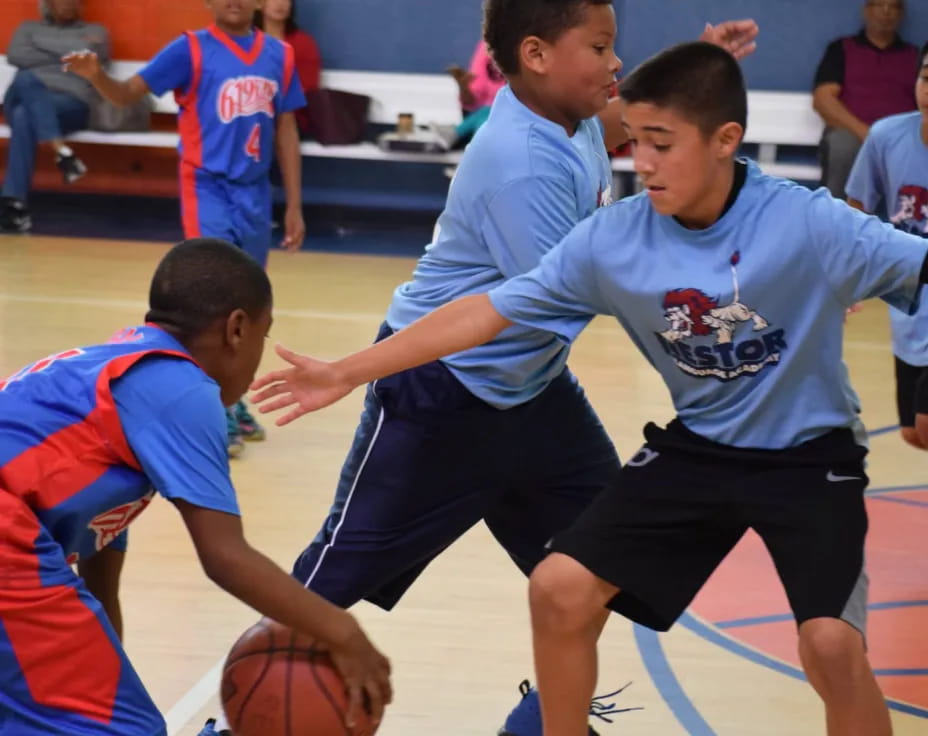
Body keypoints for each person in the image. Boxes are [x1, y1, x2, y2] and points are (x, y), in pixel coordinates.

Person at [252, 41, 928, 736]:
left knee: (830, 647)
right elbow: (489, 309)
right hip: (701, 450)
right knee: (560, 588)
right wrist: (346, 370)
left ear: (726, 140)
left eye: (662, 144)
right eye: (636, 142)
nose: (644, 163)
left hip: (810, 462)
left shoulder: (811, 224)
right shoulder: (615, 239)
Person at [229, 2, 753, 733]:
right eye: (600, 47)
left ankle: (548, 716)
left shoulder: (568, 122)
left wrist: (689, 69)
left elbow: (611, 130)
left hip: (532, 393)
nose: (614, 63)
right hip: (441, 394)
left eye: (614, 46)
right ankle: (238, 714)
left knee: (601, 557)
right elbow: (565, 295)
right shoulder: (518, 161)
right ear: (536, 55)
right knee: (332, 576)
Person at [0, 238, 391, 736]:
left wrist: (109, 677)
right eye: (262, 338)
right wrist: (344, 631)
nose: (254, 364)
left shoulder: (113, 367)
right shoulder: (182, 388)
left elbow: (99, 564)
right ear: (236, 329)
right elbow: (224, 557)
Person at [62, 0, 307, 456]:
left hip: (254, 192)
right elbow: (126, 94)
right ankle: (211, 405)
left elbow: (287, 130)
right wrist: (97, 75)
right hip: (207, 185)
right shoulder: (190, 50)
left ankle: (231, 398)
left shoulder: (280, 55)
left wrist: (293, 203)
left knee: (249, 303)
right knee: (213, 296)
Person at [846, 42, 928, 450]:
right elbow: (856, 211)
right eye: (927, 77)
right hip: (909, 304)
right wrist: (844, 279)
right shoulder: (887, 136)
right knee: (913, 433)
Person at [0, 0, 107, 233]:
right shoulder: (28, 27)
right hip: (23, 94)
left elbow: (92, 59)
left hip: (70, 104)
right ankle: (61, 151)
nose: (69, 5)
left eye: (74, 1)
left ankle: (13, 204)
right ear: (48, 4)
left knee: (22, 116)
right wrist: (68, 53)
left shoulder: (95, 31)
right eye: (62, 0)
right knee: (27, 80)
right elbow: (15, 55)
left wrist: (39, 50)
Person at [812, 0, 919, 199]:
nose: (886, 12)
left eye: (893, 7)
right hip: (853, 134)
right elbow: (823, 100)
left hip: (900, 138)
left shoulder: (914, 56)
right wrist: (868, 134)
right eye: (879, 5)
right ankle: (833, 222)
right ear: (866, 11)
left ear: (901, 14)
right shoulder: (841, 49)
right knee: (842, 145)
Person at [254, 0, 321, 138]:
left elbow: (308, 88)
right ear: (259, 4)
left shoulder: (303, 43)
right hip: (251, 112)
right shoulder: (246, 41)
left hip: (291, 115)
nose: (280, 4)